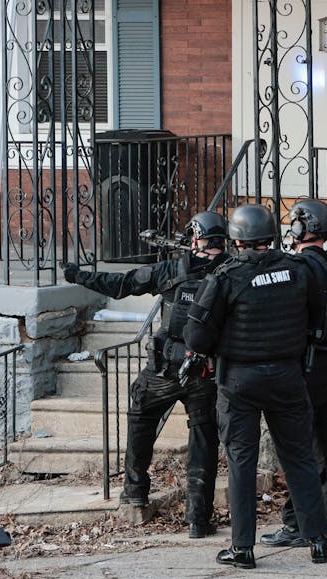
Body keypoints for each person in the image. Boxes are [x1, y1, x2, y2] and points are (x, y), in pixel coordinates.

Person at [183, 203, 327, 568]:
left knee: (241, 462)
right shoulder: (297, 270)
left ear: (236, 238)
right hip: (287, 375)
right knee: (299, 456)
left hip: (240, 380)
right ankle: (318, 542)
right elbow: (317, 314)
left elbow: (196, 333)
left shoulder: (225, 276)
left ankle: (242, 549)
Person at [64, 211, 230, 539]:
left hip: (164, 369)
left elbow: (122, 283)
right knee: (204, 439)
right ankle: (198, 518)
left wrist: (79, 276)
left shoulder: (172, 270)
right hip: (206, 371)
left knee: (140, 417)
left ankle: (135, 491)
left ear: (196, 237)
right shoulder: (231, 272)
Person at [261, 199, 327, 548]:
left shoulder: (300, 267)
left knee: (300, 446)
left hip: (307, 364)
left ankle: (298, 521)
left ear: (302, 227)